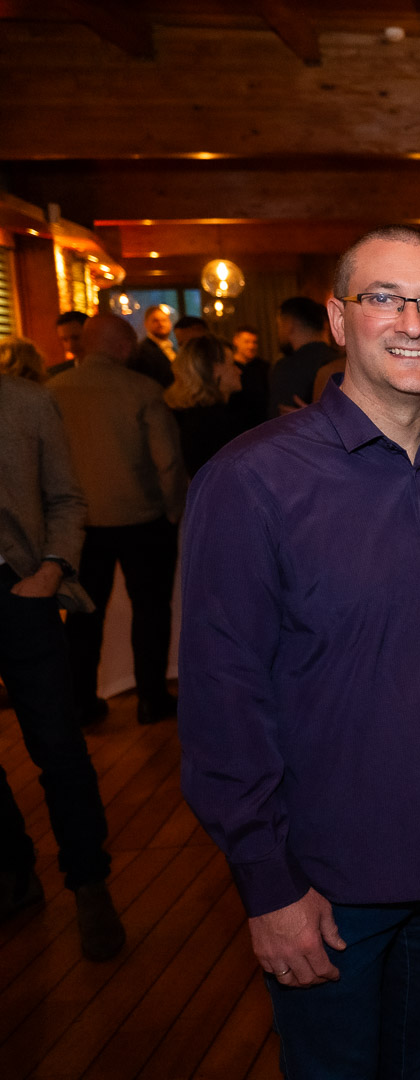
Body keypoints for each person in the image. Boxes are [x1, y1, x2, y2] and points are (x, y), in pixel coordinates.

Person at [179, 225, 420, 1078]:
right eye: (384, 298)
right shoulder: (252, 481)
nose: (412, 322)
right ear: (337, 318)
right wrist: (269, 884)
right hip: (328, 886)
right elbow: (220, 701)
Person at [0, 371, 125, 961]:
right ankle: (13, 870)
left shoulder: (28, 402)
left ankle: (89, 882)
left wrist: (50, 570)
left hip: (20, 592)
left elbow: (67, 498)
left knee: (58, 747)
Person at [48, 314, 187, 727]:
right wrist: (174, 509)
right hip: (142, 517)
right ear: (124, 347)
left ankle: (81, 701)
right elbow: (168, 461)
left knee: (83, 613)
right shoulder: (143, 390)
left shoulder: (53, 391)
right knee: (151, 610)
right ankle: (151, 698)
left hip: (79, 521)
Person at [164, 334, 249, 476]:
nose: (239, 371)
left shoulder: (192, 416)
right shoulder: (216, 424)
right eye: (233, 364)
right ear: (215, 371)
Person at [267, 295, 336, 417]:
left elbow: (278, 421)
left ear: (289, 324)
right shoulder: (342, 360)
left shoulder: (287, 368)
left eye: (279, 324)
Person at [229, 325, 270, 428]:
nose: (251, 346)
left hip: (261, 423)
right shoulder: (229, 366)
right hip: (234, 423)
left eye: (254, 342)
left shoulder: (264, 367)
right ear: (236, 341)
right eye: (246, 342)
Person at [130, 305, 176, 388]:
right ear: (146, 324)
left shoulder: (172, 348)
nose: (161, 324)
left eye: (164, 320)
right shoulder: (142, 351)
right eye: (155, 321)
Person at [52, 311, 88, 377]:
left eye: (76, 338)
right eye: (65, 340)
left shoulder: (106, 369)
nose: (70, 346)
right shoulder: (58, 374)